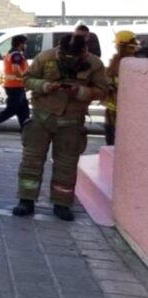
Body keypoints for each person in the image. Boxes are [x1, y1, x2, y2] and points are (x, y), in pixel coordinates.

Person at [13, 34, 108, 221]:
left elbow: (102, 91)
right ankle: (26, 200)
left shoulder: (95, 64)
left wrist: (79, 91)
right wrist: (46, 86)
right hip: (41, 118)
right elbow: (27, 79)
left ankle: (62, 204)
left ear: (83, 51)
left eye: (74, 56)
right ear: (60, 49)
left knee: (66, 165)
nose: (69, 59)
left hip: (72, 122)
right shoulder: (46, 57)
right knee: (31, 161)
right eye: (65, 55)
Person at [0, 34, 30, 140]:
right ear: (20, 44)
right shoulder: (16, 55)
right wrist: (26, 78)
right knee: (11, 110)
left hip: (15, 86)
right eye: (25, 43)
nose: (26, 45)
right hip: (15, 87)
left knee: (24, 111)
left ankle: (26, 132)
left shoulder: (11, 54)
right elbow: (16, 70)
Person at [104, 30, 140, 146]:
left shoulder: (134, 63)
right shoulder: (116, 60)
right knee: (112, 141)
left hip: (126, 112)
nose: (116, 47)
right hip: (113, 112)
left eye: (117, 45)